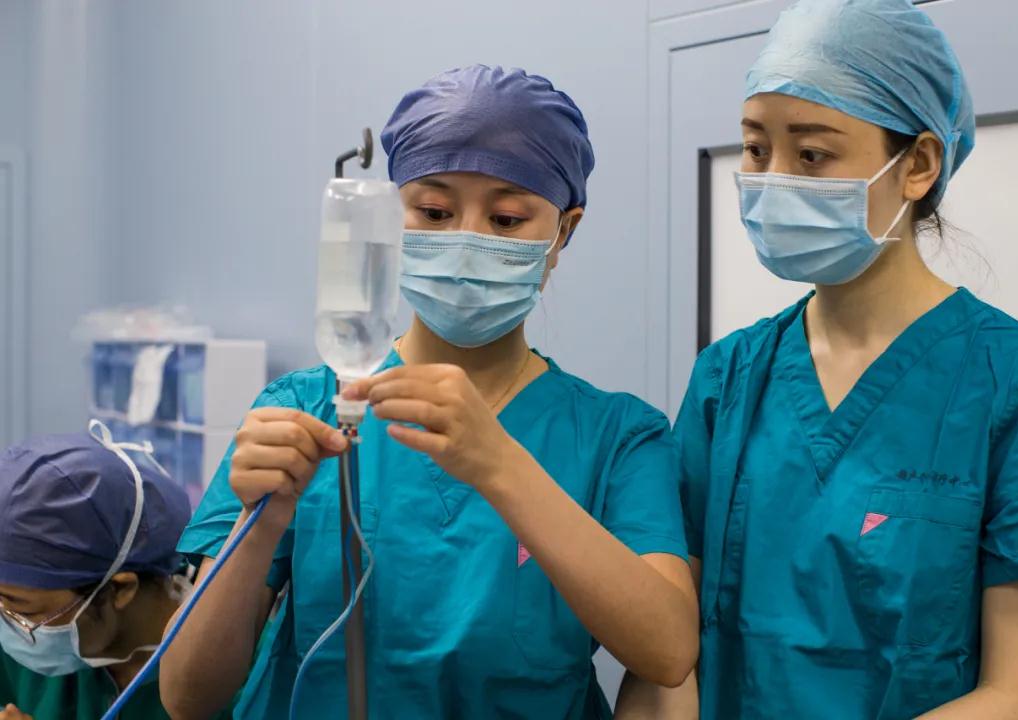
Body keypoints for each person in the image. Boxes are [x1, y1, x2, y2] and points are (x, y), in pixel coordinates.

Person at [160, 64, 698, 720]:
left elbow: (667, 653)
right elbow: (187, 697)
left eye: (506, 218)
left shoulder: (618, 438)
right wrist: (261, 524)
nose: (465, 239)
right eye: (434, 212)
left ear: (563, 231)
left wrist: (501, 467)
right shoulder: (301, 410)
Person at [616, 1, 1018, 718]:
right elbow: (669, 655)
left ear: (918, 164)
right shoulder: (728, 379)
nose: (773, 179)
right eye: (755, 149)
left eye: (811, 155)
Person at [0, 424, 227, 720]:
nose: (9, 622)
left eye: (22, 610)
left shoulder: (229, 671)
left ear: (120, 589)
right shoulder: (23, 646)